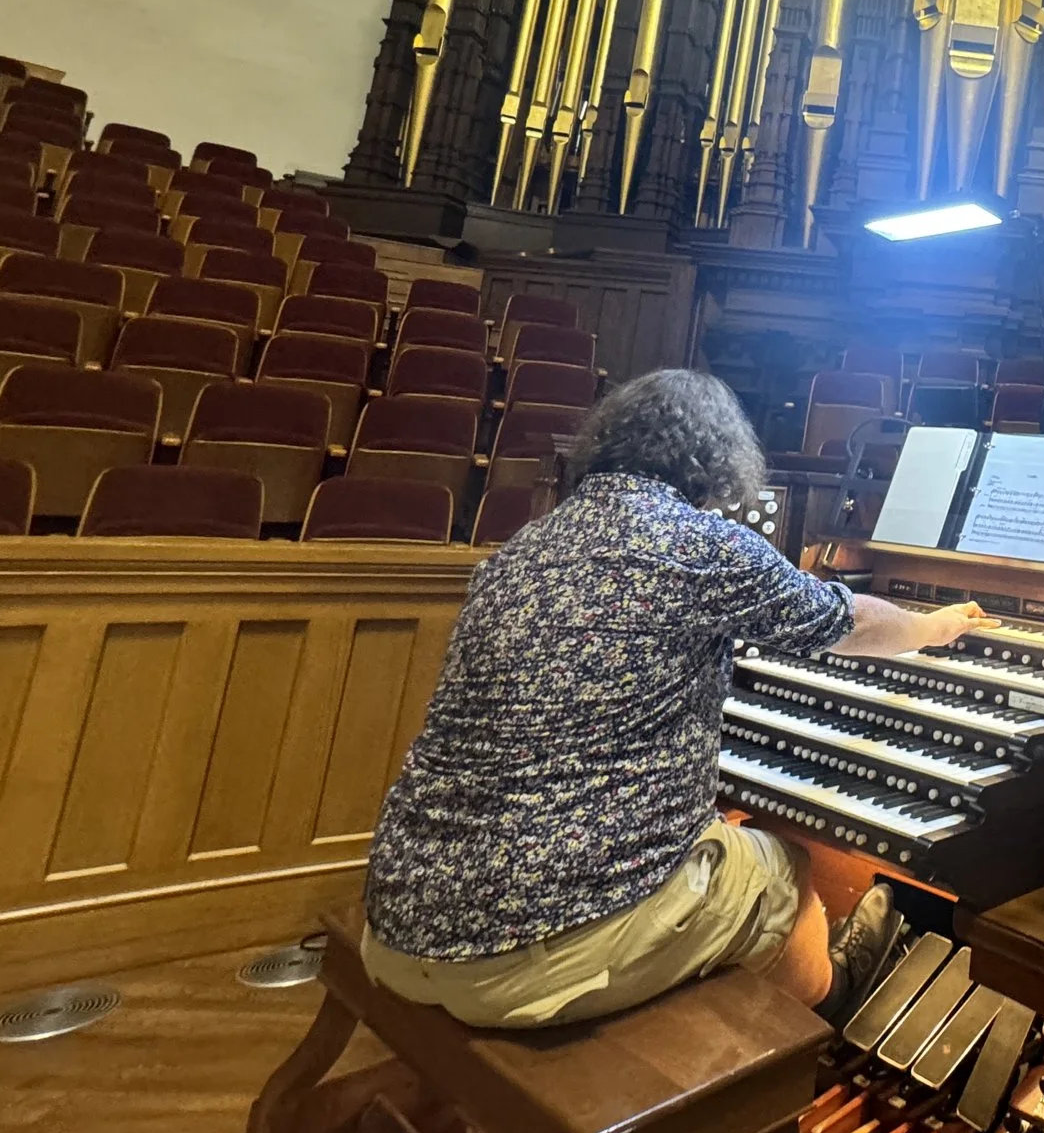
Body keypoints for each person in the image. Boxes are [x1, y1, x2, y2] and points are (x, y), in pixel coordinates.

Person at [360, 367, 984, 1031]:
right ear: (716, 459)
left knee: (719, 840)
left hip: (402, 919)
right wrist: (932, 627)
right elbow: (845, 619)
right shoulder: (697, 544)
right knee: (784, 867)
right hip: (528, 950)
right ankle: (825, 1026)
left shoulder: (524, 546)